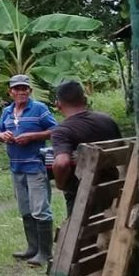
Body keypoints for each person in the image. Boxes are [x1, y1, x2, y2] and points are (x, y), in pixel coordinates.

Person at [0, 74, 58, 267]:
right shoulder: (7, 111)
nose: (21, 92)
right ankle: (32, 247)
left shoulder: (39, 109)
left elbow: (56, 130)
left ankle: (45, 252)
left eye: (24, 88)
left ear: (30, 91)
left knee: (40, 208)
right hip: (16, 166)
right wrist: (2, 135)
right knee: (25, 208)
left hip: (34, 165)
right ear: (11, 92)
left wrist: (33, 136)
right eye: (17, 89)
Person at [51, 80, 122, 217]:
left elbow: (61, 163)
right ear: (85, 99)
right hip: (112, 190)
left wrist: (61, 185)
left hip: (82, 195)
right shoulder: (108, 120)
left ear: (58, 105)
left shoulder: (62, 131)